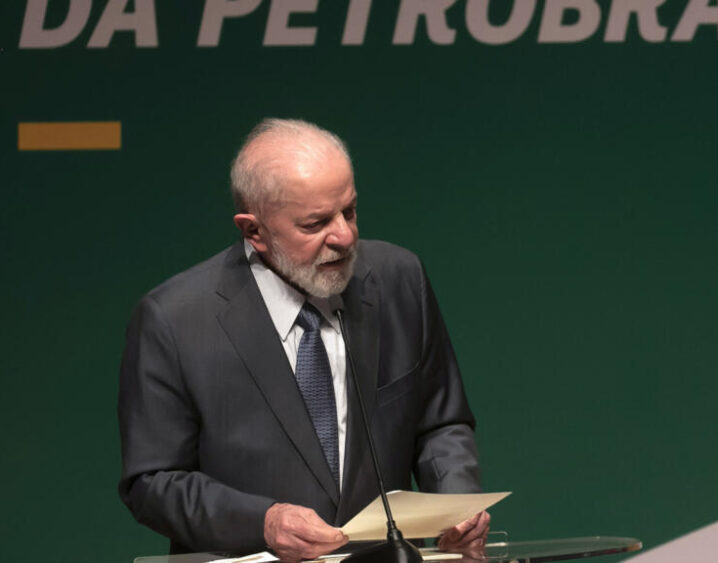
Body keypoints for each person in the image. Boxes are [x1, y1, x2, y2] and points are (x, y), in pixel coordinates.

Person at [118, 118, 489, 561]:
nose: (345, 236)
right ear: (253, 231)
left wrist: (456, 505)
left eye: (349, 211)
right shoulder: (174, 319)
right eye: (315, 224)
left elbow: (440, 425)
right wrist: (264, 522)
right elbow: (154, 482)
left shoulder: (397, 279)